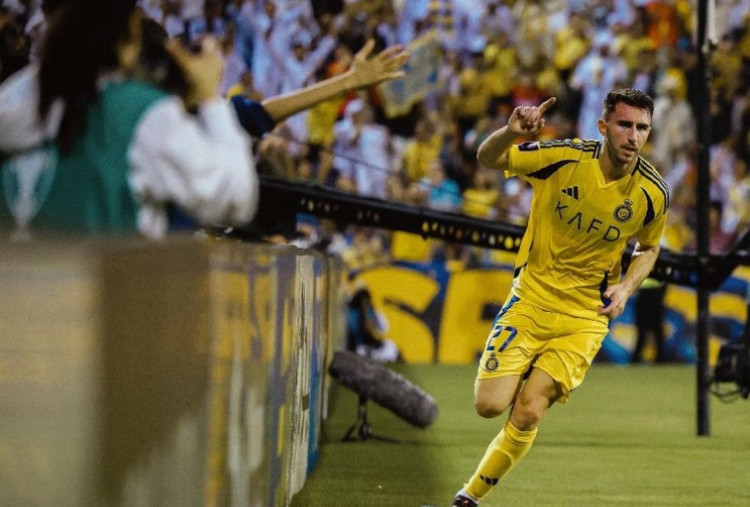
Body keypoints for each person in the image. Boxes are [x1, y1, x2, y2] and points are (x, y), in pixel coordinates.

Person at [451, 88, 669, 506]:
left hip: (585, 316)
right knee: (488, 405)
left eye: (642, 127)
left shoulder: (653, 193)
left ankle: (469, 498)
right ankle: (521, 378)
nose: (633, 136)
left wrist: (625, 287)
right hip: (531, 300)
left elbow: (649, 247)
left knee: (530, 410)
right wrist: (508, 134)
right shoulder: (564, 157)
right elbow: (489, 158)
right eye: (624, 125)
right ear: (604, 126)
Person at [0, 0, 256, 239]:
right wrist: (209, 96)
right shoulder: (140, 112)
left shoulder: (12, 96)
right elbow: (236, 200)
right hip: (104, 283)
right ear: (132, 29)